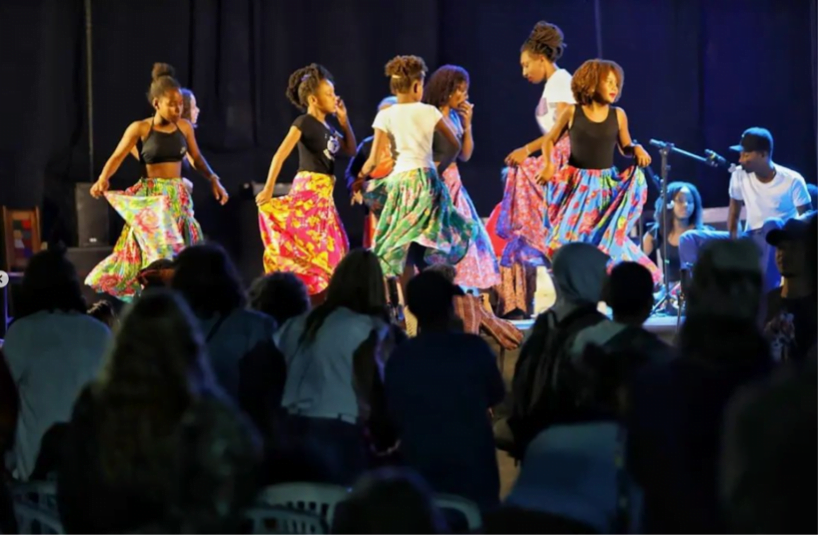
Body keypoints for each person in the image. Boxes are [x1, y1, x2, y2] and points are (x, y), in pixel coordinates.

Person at [57, 290, 261, 537]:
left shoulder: (94, 406)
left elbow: (72, 497)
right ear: (188, 346)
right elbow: (238, 481)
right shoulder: (206, 412)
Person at [86, 63, 228, 301]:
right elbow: (117, 156)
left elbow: (197, 158)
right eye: (171, 104)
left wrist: (213, 178)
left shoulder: (184, 127)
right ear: (156, 104)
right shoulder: (140, 129)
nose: (177, 108)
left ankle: (180, 301)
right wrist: (102, 179)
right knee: (153, 256)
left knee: (180, 255)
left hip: (177, 198)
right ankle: (151, 301)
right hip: (152, 199)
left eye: (180, 104)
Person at [385, 270, 505, 512]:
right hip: (472, 468)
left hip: (419, 467)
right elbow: (496, 394)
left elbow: (392, 411)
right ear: (448, 307)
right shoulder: (474, 349)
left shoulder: (402, 356)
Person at [354, 55, 475, 289]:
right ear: (418, 86)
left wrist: (360, 179)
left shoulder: (385, 115)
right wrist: (436, 168)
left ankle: (408, 307)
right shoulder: (429, 112)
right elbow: (454, 145)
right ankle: (433, 302)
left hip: (400, 185)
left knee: (400, 242)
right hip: (426, 183)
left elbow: (373, 160)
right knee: (429, 240)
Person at [537, 59, 660, 281]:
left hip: (605, 189)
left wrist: (637, 148)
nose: (615, 88)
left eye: (617, 84)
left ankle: (610, 283)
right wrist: (548, 164)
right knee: (566, 240)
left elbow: (625, 147)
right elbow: (548, 140)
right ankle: (573, 288)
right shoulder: (572, 112)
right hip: (577, 187)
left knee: (604, 239)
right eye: (609, 82)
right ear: (591, 83)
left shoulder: (618, 115)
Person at [256, 63, 356, 300]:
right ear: (313, 99)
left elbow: (350, 149)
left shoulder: (328, 127)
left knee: (336, 251)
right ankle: (306, 298)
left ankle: (321, 301)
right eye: (328, 94)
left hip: (325, 198)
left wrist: (344, 121)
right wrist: (269, 188)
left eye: (333, 93)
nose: (334, 98)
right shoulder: (304, 122)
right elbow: (280, 155)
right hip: (309, 192)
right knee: (311, 251)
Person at [678, 127, 813, 292]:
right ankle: (692, 294)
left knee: (771, 223)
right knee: (688, 238)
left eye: (746, 154)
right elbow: (733, 217)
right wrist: (735, 247)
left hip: (777, 239)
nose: (740, 160)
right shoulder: (739, 176)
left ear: (763, 154)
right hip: (750, 237)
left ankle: (766, 294)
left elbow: (808, 220)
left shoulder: (792, 180)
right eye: (740, 154)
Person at [497, 21, 575, 268]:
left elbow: (564, 129)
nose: (524, 72)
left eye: (526, 65)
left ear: (541, 58)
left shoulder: (561, 80)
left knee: (520, 171)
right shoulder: (553, 85)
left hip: (562, 157)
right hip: (554, 152)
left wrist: (527, 150)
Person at [424, 65, 501, 290]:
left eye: (465, 90)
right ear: (446, 89)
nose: (463, 95)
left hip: (457, 184)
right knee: (444, 240)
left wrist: (468, 125)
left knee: (470, 238)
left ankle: (459, 289)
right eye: (459, 90)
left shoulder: (457, 118)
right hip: (439, 184)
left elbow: (466, 155)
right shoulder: (431, 116)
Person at [762, 215, 817, 363]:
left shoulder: (816, 305)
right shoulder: (765, 303)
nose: (783, 254)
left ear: (808, 253)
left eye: (793, 248)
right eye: (780, 247)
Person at [345, 96, 397, 249]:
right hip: (375, 212)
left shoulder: (406, 144)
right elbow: (351, 173)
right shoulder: (368, 145)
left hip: (401, 210)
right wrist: (356, 188)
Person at [642, 181, 706, 283]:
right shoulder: (657, 231)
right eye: (680, 200)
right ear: (668, 204)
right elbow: (636, 257)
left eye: (690, 201)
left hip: (696, 292)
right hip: (669, 293)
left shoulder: (702, 233)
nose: (685, 205)